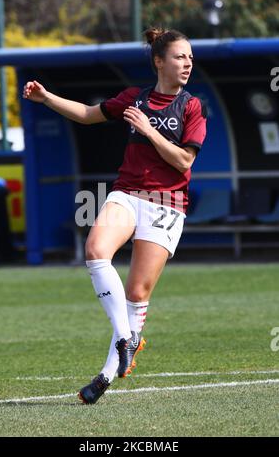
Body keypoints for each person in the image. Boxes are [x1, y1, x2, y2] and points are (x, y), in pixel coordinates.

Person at [23, 27, 207, 405]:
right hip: (127, 192)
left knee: (137, 293)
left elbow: (184, 160)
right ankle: (127, 338)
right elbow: (90, 114)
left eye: (189, 57)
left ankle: (107, 375)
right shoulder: (134, 97)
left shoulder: (191, 107)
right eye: (179, 56)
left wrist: (149, 131)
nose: (187, 63)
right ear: (159, 61)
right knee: (95, 250)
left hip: (166, 203)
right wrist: (46, 99)